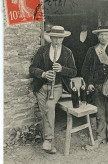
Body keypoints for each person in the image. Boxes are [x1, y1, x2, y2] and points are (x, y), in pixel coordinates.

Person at [29, 26, 77, 154]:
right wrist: (43, 74)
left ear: (63, 39)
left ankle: (48, 140)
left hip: (57, 87)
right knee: (45, 111)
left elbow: (74, 72)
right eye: (55, 38)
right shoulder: (42, 50)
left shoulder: (67, 52)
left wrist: (62, 69)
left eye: (60, 38)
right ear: (50, 38)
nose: (57, 41)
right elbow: (32, 68)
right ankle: (51, 145)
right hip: (41, 87)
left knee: (49, 106)